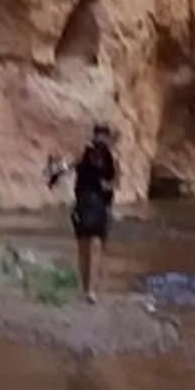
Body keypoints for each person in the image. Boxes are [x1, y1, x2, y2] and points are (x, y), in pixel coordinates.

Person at [47, 123, 118, 299]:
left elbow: (116, 182)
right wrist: (55, 175)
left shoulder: (111, 158)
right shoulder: (84, 154)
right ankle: (86, 286)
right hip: (83, 204)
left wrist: (107, 185)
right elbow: (68, 167)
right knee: (83, 247)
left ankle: (91, 290)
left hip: (101, 205)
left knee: (96, 246)